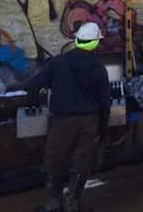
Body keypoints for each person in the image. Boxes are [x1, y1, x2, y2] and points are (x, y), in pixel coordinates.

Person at [24, 22, 111, 212]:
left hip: (62, 121)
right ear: (96, 43)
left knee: (55, 159)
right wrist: (102, 128)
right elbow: (105, 103)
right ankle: (73, 203)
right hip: (90, 121)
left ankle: (55, 203)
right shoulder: (99, 68)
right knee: (82, 161)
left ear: (77, 40)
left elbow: (33, 84)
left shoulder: (58, 62)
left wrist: (34, 99)